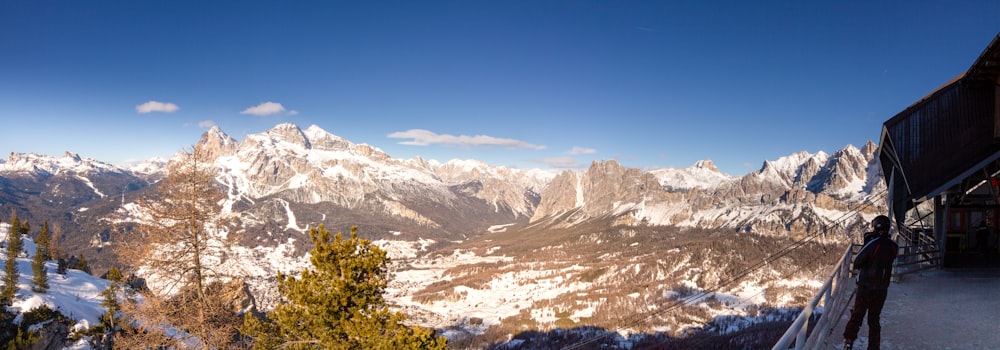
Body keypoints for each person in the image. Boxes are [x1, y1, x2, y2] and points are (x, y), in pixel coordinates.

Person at [844, 215, 898, 350]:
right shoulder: (893, 246)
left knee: (857, 315)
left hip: (865, 287)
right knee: (874, 320)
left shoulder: (873, 243)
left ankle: (849, 341)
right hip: (882, 289)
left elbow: (857, 263)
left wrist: (867, 243)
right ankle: (874, 347)